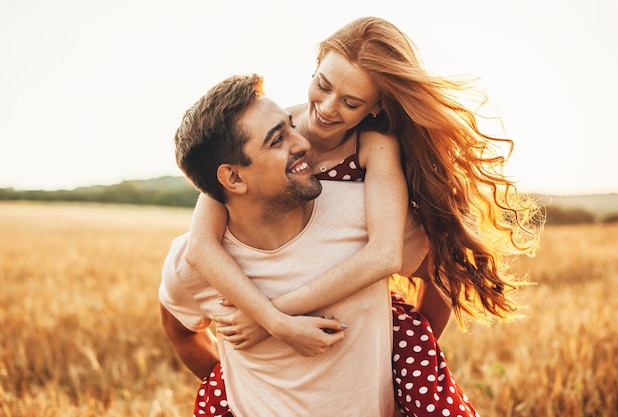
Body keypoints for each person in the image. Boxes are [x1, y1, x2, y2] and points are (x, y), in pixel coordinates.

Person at [159, 73, 453, 416]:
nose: (302, 143)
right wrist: (227, 387)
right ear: (234, 178)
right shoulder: (191, 261)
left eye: (290, 126)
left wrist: (408, 361)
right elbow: (179, 330)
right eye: (277, 140)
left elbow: (441, 275)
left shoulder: (365, 216)